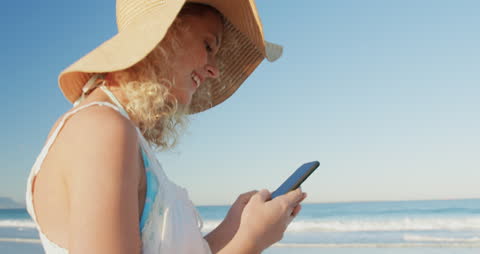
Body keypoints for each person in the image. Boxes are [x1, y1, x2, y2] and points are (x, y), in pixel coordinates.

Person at [25, 0, 307, 253]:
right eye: (208, 46)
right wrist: (251, 241)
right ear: (162, 34)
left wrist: (235, 228)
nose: (214, 69)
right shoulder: (102, 129)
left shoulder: (111, 128)